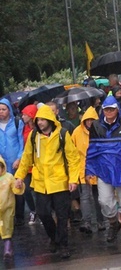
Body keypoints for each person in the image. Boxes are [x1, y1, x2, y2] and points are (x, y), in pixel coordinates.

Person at [13, 105, 80, 259]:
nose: (40, 122)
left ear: (50, 119)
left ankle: (63, 245)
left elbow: (73, 158)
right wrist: (19, 177)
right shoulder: (33, 136)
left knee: (63, 216)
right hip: (41, 183)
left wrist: (73, 179)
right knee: (43, 213)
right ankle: (54, 237)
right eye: (38, 120)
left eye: (43, 119)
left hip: (59, 182)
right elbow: (27, 158)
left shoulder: (62, 134)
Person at [86, 96, 121, 247]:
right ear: (102, 110)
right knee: (104, 201)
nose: (109, 112)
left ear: (117, 109)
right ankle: (112, 223)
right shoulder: (96, 126)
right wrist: (89, 168)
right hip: (104, 169)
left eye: (111, 109)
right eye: (106, 109)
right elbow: (92, 148)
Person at [71, 106, 105, 234]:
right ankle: (87, 222)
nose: (89, 122)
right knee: (85, 196)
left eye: (92, 119)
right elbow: (73, 152)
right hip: (83, 169)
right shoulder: (76, 132)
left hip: (98, 168)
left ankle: (100, 221)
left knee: (98, 197)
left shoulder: (101, 130)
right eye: (87, 119)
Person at [0, 98, 25, 224]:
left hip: (15, 161)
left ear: (9, 110)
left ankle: (20, 217)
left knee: (17, 187)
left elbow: (21, 142)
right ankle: (6, 215)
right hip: (2, 164)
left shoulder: (16, 122)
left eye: (3, 109)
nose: (1, 112)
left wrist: (19, 158)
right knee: (4, 190)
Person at [0, 156, 19, 262]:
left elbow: (16, 190)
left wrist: (18, 186)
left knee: (7, 229)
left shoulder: (8, 177)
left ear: (3, 167)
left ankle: (7, 249)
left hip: (7, 209)